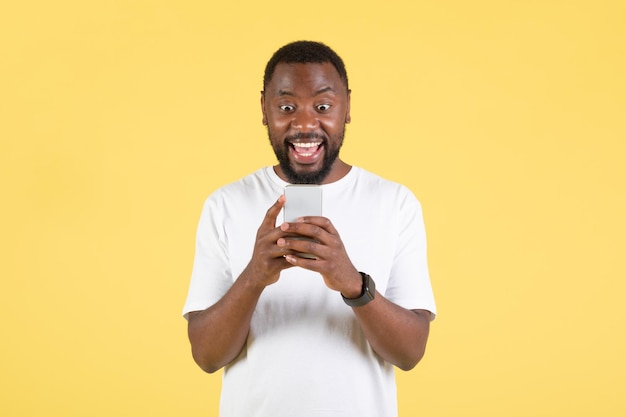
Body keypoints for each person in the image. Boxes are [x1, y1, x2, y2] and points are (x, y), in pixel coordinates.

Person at [183, 40, 436, 417]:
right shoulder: (226, 204)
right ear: (264, 110)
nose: (304, 124)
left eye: (322, 106)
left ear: (346, 107)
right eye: (287, 107)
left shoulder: (395, 203)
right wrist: (254, 276)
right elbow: (206, 356)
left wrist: (352, 283)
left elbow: (410, 352)